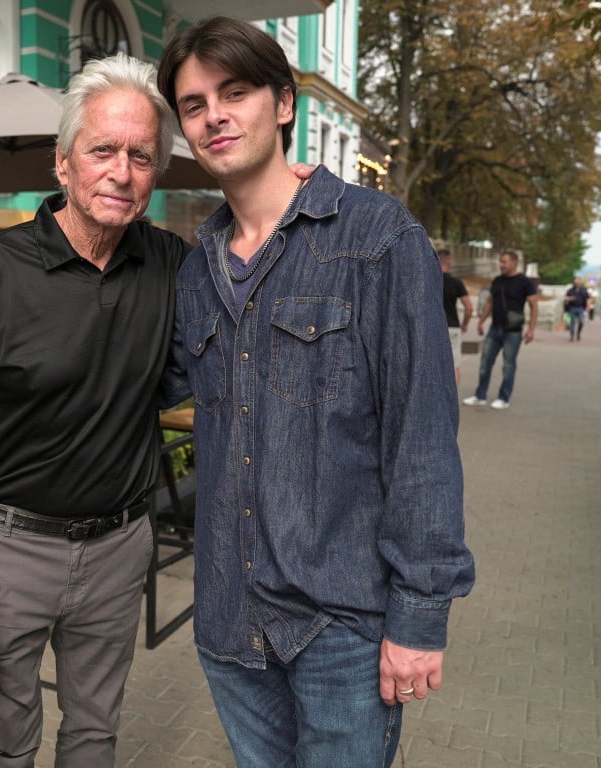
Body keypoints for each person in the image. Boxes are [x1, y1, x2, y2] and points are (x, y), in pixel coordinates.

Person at [157, 17, 475, 768]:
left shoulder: (375, 238)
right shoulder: (194, 271)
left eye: (234, 92)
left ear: (284, 103)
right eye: (195, 104)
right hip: (230, 624)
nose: (215, 116)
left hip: (343, 626)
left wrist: (420, 617)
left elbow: (422, 437)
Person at [0, 53, 192, 767]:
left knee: (95, 737)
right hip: (7, 551)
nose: (121, 173)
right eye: (102, 150)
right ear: (62, 163)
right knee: (4, 746)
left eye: (141, 156)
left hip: (120, 548)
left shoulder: (172, 265)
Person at [462, 250, 538, 410]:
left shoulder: (524, 282)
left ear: (514, 263)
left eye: (504, 262)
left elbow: (534, 306)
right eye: (500, 261)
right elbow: (490, 302)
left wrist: (531, 329)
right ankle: (480, 395)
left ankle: (504, 398)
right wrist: (481, 321)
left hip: (513, 331)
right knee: (485, 363)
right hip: (494, 329)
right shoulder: (497, 280)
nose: (501, 265)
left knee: (508, 365)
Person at [438, 248, 473, 385]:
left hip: (432, 327)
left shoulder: (427, 280)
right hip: (452, 327)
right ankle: (451, 401)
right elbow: (469, 308)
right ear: (449, 262)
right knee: (454, 365)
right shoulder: (456, 282)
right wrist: (465, 323)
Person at [564, 276, 589, 341]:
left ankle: (578, 333)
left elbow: (588, 298)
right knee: (572, 323)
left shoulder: (583, 290)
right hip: (572, 308)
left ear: (580, 283)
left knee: (581, 321)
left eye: (577, 282)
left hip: (581, 308)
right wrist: (570, 298)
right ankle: (572, 336)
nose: (576, 283)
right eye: (575, 282)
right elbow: (566, 298)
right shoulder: (570, 290)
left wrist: (587, 307)